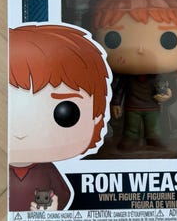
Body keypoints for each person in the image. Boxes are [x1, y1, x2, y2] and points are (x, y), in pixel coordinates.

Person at [8, 24, 110, 211]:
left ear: (96, 116)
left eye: (65, 113)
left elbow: (64, 195)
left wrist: (53, 209)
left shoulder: (46, 170)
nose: (21, 132)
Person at [92, 0, 177, 142]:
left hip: (152, 108)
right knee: (131, 130)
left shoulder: (159, 78)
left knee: (153, 130)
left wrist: (166, 95)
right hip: (131, 108)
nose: (141, 49)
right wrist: (116, 104)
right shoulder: (125, 79)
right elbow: (118, 91)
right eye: (113, 39)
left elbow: (169, 91)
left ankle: (154, 143)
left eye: (168, 40)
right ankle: (130, 143)